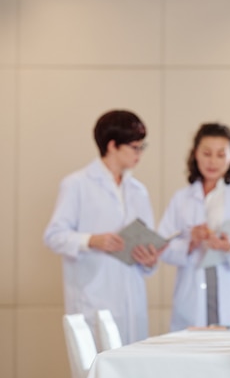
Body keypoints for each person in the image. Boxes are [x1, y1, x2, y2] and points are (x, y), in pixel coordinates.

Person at [44, 109, 161, 345]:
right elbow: (54, 236)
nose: (139, 154)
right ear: (112, 146)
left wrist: (150, 260)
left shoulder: (138, 191)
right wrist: (91, 240)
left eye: (141, 147)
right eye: (134, 147)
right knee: (95, 376)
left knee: (133, 374)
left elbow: (149, 243)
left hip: (133, 301)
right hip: (93, 300)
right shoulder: (77, 184)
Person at [158, 123, 230, 331]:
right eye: (207, 153)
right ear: (195, 154)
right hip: (191, 302)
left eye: (221, 154)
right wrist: (190, 242)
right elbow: (161, 246)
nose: (213, 161)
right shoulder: (182, 198)